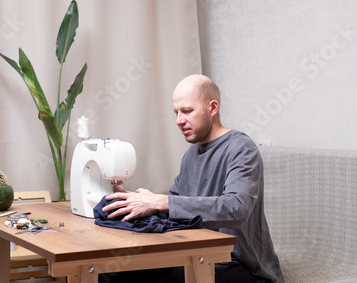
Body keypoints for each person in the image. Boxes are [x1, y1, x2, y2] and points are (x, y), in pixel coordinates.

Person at [99, 74, 284, 283]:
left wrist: (162, 201)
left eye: (187, 111)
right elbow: (175, 209)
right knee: (118, 274)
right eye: (176, 112)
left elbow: (237, 207)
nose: (179, 120)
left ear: (212, 108)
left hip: (242, 267)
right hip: (200, 255)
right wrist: (137, 202)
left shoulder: (241, 148)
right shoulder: (191, 154)